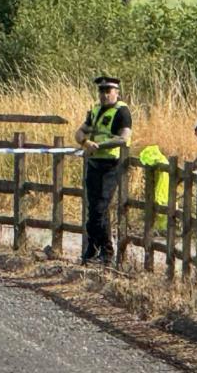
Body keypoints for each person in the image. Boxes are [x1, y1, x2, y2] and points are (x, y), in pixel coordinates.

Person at [74, 75, 132, 265]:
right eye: (101, 91)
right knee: (94, 210)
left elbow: (124, 138)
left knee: (100, 209)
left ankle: (105, 250)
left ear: (117, 92)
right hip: (93, 164)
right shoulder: (95, 110)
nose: (104, 95)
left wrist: (101, 145)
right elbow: (80, 132)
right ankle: (94, 248)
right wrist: (85, 141)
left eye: (108, 91)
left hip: (110, 165)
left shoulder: (122, 111)